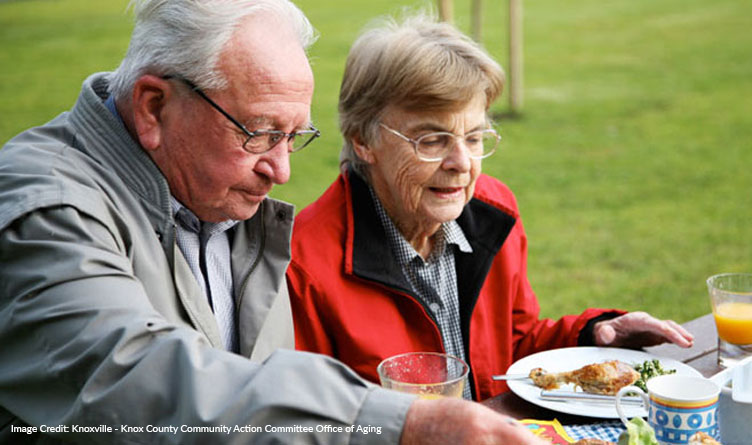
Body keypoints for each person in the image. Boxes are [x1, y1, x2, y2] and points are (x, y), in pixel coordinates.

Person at [0, 1, 546, 444]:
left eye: (294, 137)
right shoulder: (48, 210)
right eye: (258, 133)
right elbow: (131, 380)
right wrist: (401, 422)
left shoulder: (218, 196)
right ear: (153, 107)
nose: (281, 172)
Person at [287, 13, 694, 402]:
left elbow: (511, 347)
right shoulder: (304, 264)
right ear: (363, 140)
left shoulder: (491, 210)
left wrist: (595, 335)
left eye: (476, 137)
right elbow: (306, 421)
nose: (462, 164)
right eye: (432, 140)